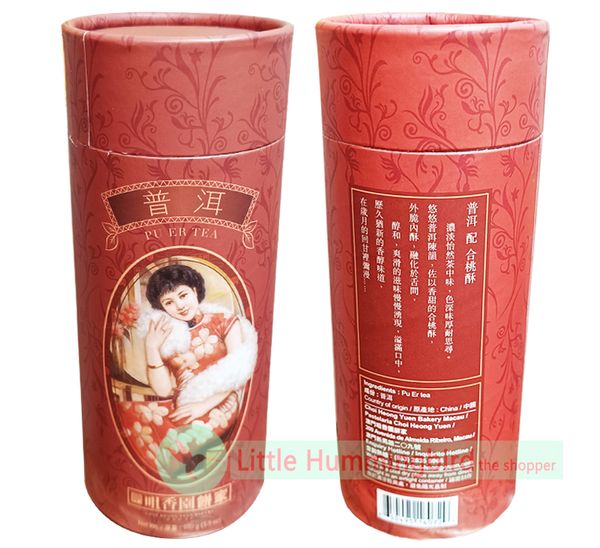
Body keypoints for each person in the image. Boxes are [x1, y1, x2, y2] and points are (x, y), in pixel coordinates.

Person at [114, 263, 257, 479]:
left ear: (195, 290)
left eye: (183, 295)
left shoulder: (225, 322)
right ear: (162, 307)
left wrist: (201, 406)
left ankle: (192, 479)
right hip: (181, 403)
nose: (179, 305)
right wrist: (152, 347)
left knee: (180, 442)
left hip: (219, 402)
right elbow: (163, 390)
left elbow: (235, 373)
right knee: (132, 416)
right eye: (169, 302)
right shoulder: (169, 333)